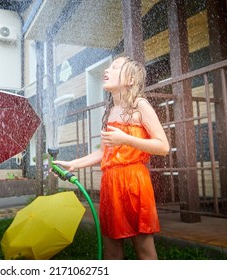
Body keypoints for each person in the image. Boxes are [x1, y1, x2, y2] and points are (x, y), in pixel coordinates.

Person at [53, 56, 170, 260]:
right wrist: (74, 164)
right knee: (111, 250)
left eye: (115, 67)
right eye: (108, 66)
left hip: (134, 181)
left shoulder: (139, 105)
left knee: (144, 250)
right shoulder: (109, 111)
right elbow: (103, 152)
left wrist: (125, 139)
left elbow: (163, 146)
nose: (107, 70)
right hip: (110, 183)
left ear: (131, 79)